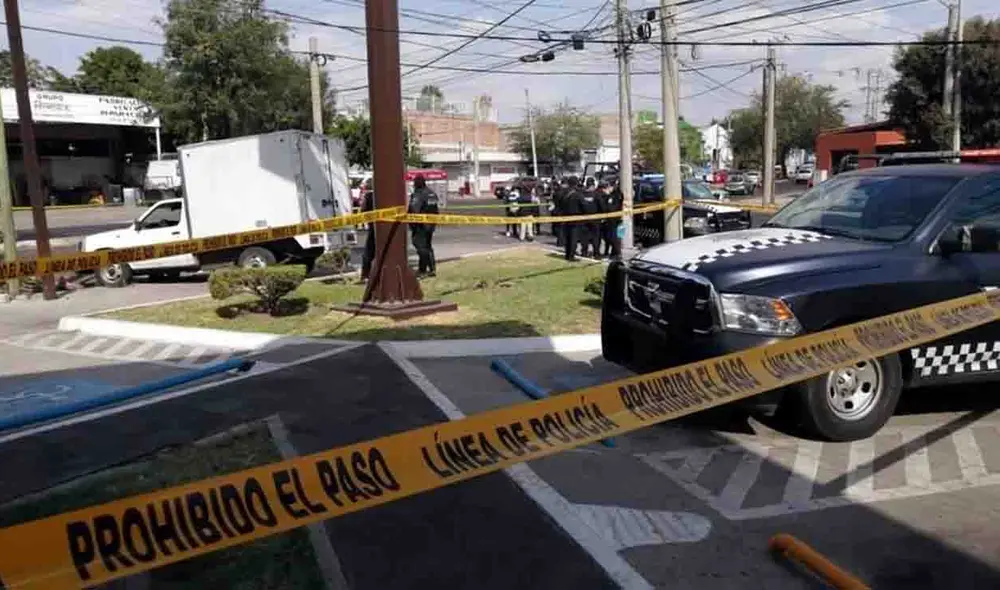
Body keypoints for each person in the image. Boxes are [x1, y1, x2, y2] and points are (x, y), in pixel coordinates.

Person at [408, 174, 440, 277]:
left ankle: (423, 270)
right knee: (427, 246)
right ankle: (431, 269)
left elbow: (414, 209)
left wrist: (410, 221)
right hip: (430, 224)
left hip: (420, 225)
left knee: (419, 245)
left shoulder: (419, 194)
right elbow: (436, 210)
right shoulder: (432, 194)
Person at [578, 178, 602, 258]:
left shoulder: (581, 194)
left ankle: (584, 252)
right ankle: (596, 254)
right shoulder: (596, 194)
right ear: (592, 185)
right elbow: (601, 206)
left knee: (584, 238)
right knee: (595, 237)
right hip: (595, 219)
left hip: (584, 219)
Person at [600, 180, 623, 259]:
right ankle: (615, 253)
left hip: (614, 220)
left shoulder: (614, 196)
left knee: (614, 237)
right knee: (616, 237)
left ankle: (617, 253)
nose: (608, 188)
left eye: (609, 186)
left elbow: (610, 208)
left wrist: (607, 197)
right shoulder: (618, 194)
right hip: (617, 219)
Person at [359, 179, 377, 282]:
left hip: (373, 228)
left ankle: (365, 275)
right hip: (384, 228)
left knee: (368, 253)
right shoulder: (385, 195)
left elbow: (363, 210)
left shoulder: (368, 196)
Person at [563, 176, 584, 261]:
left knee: (568, 238)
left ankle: (567, 255)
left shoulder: (564, 193)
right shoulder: (577, 194)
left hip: (565, 218)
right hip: (575, 218)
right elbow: (584, 205)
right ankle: (571, 256)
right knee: (573, 238)